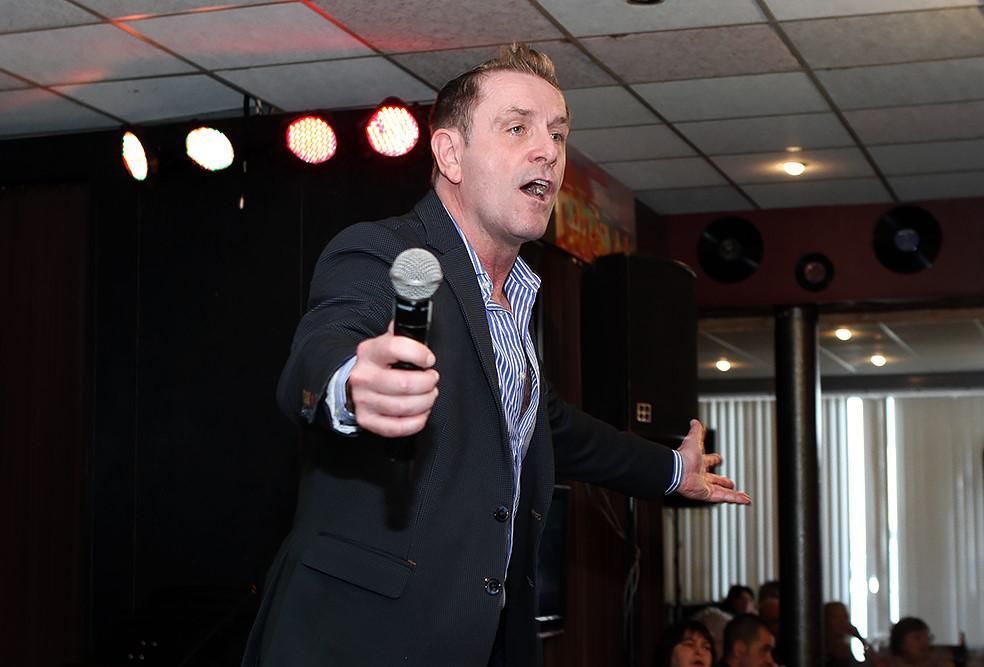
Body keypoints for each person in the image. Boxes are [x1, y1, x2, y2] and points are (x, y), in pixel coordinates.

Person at [241, 43, 750, 667]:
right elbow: (321, 350)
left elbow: (553, 431)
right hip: (355, 638)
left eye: (557, 134)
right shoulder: (387, 251)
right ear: (450, 154)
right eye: (517, 128)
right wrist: (352, 385)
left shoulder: (518, 300)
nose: (548, 151)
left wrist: (672, 470)